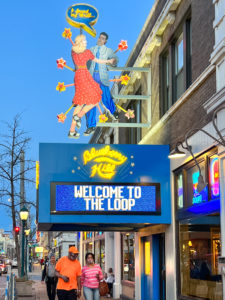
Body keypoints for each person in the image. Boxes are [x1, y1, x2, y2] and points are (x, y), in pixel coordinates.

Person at [68, 34, 115, 139]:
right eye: (84, 41)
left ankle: (72, 130)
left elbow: (76, 52)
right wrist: (108, 61)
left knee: (80, 103)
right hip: (84, 75)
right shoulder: (87, 52)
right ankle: (79, 116)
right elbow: (98, 61)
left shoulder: (73, 51)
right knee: (96, 97)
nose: (86, 42)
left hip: (79, 75)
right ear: (80, 42)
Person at [84, 32, 119, 136]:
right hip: (92, 78)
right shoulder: (91, 49)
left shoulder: (108, 51)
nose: (100, 39)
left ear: (105, 41)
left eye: (102, 38)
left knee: (106, 97)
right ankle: (91, 125)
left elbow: (115, 60)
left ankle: (113, 111)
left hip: (102, 77)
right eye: (99, 38)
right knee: (90, 102)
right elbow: (85, 61)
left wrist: (113, 61)